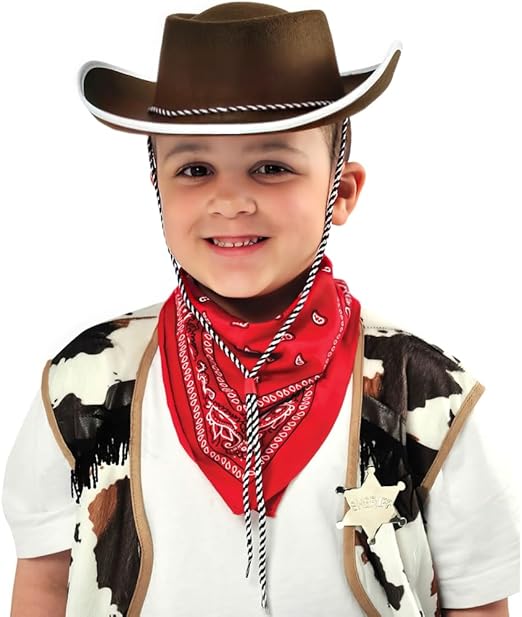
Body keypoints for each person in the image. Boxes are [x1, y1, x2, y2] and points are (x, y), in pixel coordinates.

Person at [2, 2, 519, 616]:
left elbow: (476, 600)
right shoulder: (86, 379)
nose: (230, 201)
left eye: (271, 167)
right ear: (159, 190)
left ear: (341, 191)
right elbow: (46, 577)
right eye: (194, 169)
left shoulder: (423, 390)